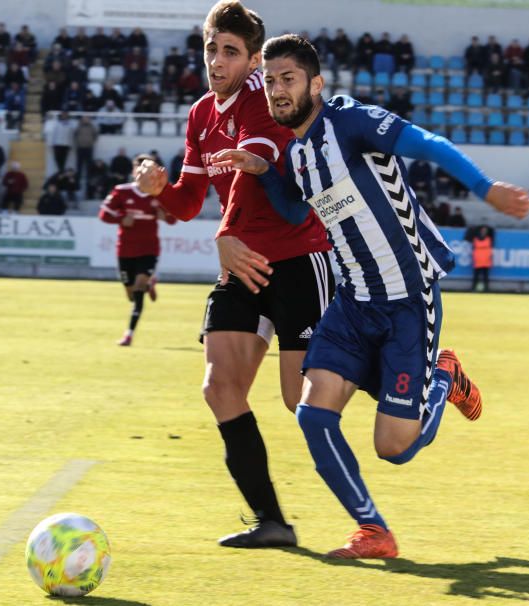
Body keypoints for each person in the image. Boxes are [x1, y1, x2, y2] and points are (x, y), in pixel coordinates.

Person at [211, 34, 529, 558]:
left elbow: (427, 144)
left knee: (393, 448)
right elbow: (295, 211)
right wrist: (265, 171)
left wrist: (486, 187)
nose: (276, 91)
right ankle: (373, 532)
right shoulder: (297, 153)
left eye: (287, 79)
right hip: (353, 303)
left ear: (316, 83)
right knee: (312, 414)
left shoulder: (351, 120)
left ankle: (443, 375)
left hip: (408, 299)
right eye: (269, 82)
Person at [134, 1, 334, 549]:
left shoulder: (259, 103)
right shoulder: (201, 113)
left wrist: (225, 235)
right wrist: (157, 190)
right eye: (211, 49)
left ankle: (419, 374)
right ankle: (272, 521)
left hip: (297, 258)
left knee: (302, 401)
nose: (217, 61)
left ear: (251, 61)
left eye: (230, 52)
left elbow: (251, 169)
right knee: (220, 387)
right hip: (243, 262)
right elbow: (186, 201)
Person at [98, 154, 177, 346]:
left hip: (149, 249)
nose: (144, 172)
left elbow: (174, 218)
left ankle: (129, 334)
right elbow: (104, 214)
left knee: (139, 288)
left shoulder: (160, 193)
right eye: (140, 168)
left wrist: (164, 215)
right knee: (131, 294)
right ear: (134, 171)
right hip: (125, 249)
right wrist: (120, 219)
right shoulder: (121, 191)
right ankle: (150, 284)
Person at [470, 225, 493, 292]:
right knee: (476, 276)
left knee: (485, 276)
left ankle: (486, 289)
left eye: (485, 231)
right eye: (482, 231)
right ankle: (473, 288)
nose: (484, 232)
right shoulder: (476, 239)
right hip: (478, 260)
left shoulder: (489, 239)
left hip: (486, 260)